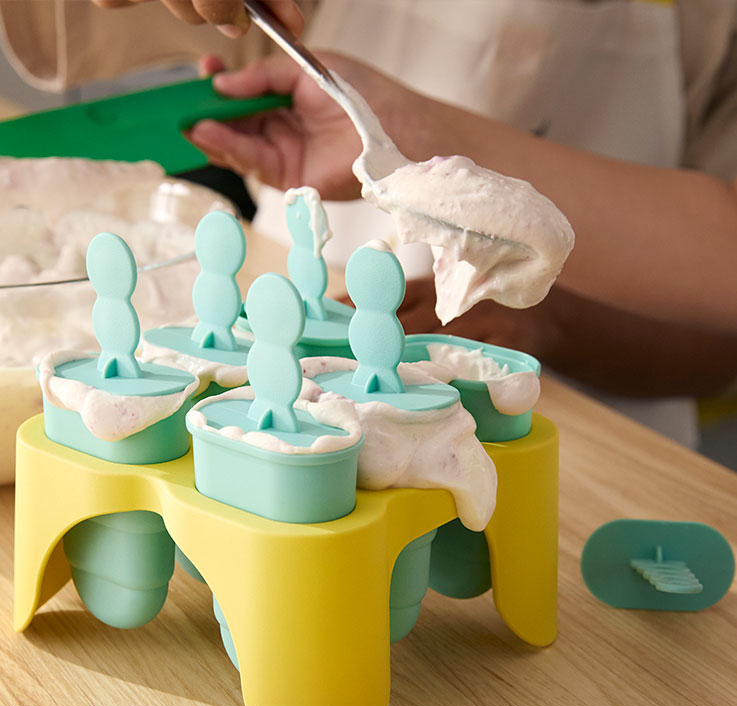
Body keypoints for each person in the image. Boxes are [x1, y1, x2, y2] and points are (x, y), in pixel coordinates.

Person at [96, 1, 737, 446]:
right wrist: (394, 134)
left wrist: (546, 320)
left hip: (603, 449)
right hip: (287, 367)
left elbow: (717, 337)